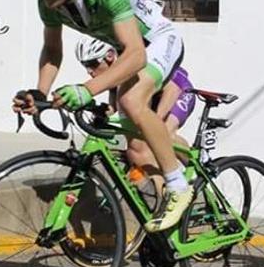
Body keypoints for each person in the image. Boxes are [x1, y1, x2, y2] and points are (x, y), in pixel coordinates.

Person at [13, 0, 192, 233]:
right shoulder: (48, 5)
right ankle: (177, 162)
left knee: (131, 101)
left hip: (157, 41)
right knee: (135, 145)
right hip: (131, 49)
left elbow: (136, 55)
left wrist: (86, 90)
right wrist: (39, 93)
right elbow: (53, 51)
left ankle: (179, 185)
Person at [74, 36, 195, 176]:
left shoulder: (132, 67)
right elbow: (114, 107)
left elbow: (172, 90)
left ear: (110, 56)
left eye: (93, 64)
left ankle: (196, 168)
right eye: (85, 65)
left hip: (178, 90)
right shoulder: (114, 76)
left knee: (163, 132)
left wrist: (156, 121)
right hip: (154, 97)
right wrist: (99, 110)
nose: (89, 71)